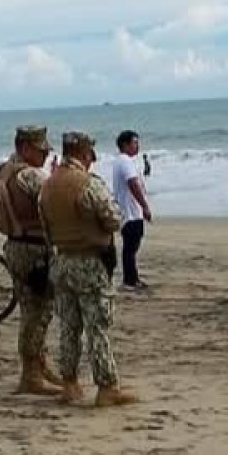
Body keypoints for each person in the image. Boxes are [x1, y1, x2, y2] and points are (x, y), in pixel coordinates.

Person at [39, 131, 135, 408]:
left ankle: (69, 384)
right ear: (83, 152)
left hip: (62, 261)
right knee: (97, 328)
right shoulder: (87, 184)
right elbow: (113, 219)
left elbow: (46, 227)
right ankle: (107, 387)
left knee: (68, 327)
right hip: (89, 262)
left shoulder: (48, 185)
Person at [0, 125, 62, 395]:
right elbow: (53, 202)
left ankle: (37, 366)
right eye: (41, 150)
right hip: (33, 248)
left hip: (16, 245)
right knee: (38, 312)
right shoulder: (29, 175)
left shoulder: (5, 169)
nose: (44, 155)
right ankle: (31, 375)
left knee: (29, 309)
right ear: (26, 148)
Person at [111, 130, 152, 292]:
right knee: (131, 246)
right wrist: (145, 206)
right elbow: (133, 183)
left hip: (128, 210)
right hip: (130, 211)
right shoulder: (125, 161)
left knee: (131, 246)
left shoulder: (121, 161)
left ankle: (132, 278)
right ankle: (130, 280)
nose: (137, 145)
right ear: (125, 144)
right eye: (134, 142)